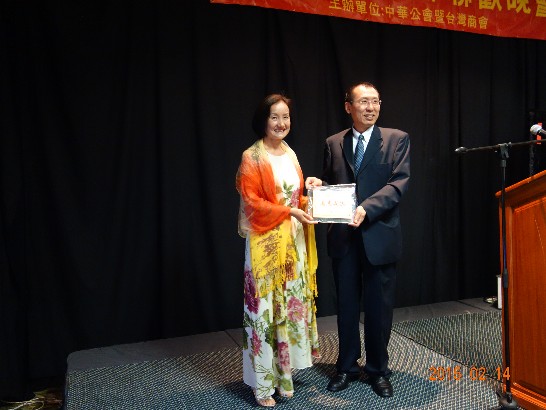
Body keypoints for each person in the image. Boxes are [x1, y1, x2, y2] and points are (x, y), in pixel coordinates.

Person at [306, 82, 410, 398]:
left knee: (379, 309)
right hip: (344, 238)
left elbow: (398, 184)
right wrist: (318, 184)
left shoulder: (396, 139)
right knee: (347, 306)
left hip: (379, 235)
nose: (370, 107)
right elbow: (333, 184)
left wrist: (367, 208)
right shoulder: (334, 142)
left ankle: (378, 370)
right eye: (363, 101)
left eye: (375, 101)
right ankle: (347, 367)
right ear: (348, 106)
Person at [236, 94, 320, 407]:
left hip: (292, 243)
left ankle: (284, 376)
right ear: (263, 120)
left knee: (287, 306)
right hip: (265, 246)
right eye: (274, 117)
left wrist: (311, 193)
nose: (281, 123)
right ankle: (261, 386)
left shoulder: (290, 153)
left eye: (286, 117)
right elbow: (253, 204)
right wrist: (290, 211)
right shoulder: (252, 156)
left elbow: (294, 198)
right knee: (264, 312)